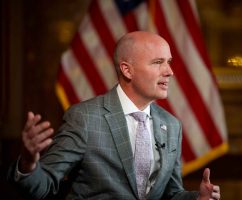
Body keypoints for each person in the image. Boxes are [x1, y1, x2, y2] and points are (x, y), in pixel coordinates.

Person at [8, 31, 220, 200]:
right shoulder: (85, 118)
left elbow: (171, 194)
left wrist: (197, 198)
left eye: (169, 62)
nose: (169, 71)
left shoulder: (171, 125)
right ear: (127, 70)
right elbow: (42, 187)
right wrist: (28, 164)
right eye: (158, 62)